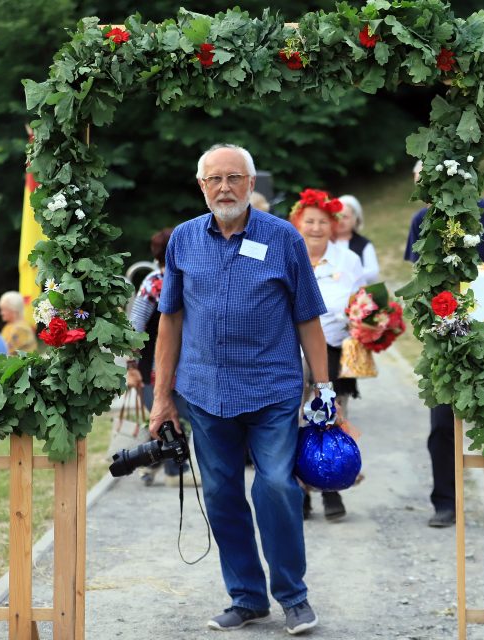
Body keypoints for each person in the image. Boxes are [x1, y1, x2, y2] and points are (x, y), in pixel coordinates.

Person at [150, 143, 330, 635]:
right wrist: (162, 396)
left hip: (272, 388)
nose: (224, 187)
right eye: (215, 179)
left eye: (234, 178)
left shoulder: (284, 238)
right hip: (205, 392)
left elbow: (308, 318)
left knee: (275, 485)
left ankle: (293, 597)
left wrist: (325, 386)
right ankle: (247, 597)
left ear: (252, 184)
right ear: (201, 186)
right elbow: (169, 322)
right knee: (221, 492)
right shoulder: (183, 240)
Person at [406, 160, 484, 528]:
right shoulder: (421, 222)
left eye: (425, 182)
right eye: (416, 185)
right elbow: (420, 279)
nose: (421, 191)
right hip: (445, 338)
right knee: (442, 423)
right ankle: (445, 502)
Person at [290, 188, 364, 522]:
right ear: (298, 223)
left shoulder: (349, 259)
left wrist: (369, 323)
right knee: (295, 421)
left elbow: (363, 303)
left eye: (323, 222)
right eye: (310, 221)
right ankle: (301, 492)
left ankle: (332, 489)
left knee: (333, 417)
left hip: (334, 350)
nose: (316, 228)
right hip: (291, 351)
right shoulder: (288, 254)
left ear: (333, 225)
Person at [126, 228, 191, 485]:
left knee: (164, 416)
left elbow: (134, 328)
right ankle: (175, 471)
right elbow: (135, 328)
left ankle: (148, 465)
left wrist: (131, 365)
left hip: (156, 363)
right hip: (172, 362)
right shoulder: (181, 280)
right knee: (173, 417)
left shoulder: (152, 283)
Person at [335, 194, 380, 285]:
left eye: (345, 217)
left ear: (355, 220)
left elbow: (373, 271)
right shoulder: (326, 242)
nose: (341, 221)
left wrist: (348, 274)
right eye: (338, 216)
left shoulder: (364, 244)